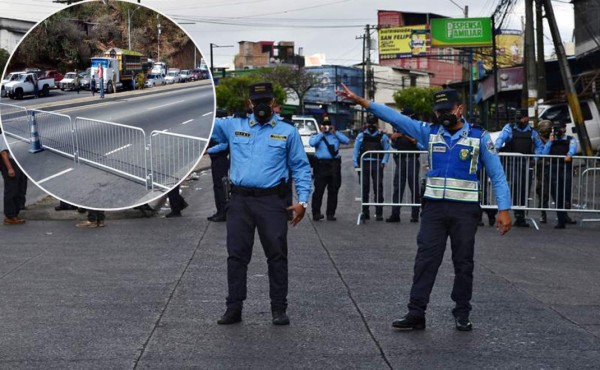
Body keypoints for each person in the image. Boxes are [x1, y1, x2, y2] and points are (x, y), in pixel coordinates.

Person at [337, 85, 512, 331]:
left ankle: (462, 313)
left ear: (459, 109)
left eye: (447, 110)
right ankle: (416, 313)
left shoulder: (479, 137)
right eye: (439, 111)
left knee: (463, 263)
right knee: (425, 261)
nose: (443, 115)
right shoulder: (429, 133)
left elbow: (497, 174)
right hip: (434, 210)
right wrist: (360, 101)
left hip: (465, 211)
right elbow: (394, 117)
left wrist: (504, 209)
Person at [210, 82, 312, 326]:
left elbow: (301, 167)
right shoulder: (233, 126)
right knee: (236, 256)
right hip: (240, 201)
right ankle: (233, 308)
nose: (262, 106)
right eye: (257, 102)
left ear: (274, 102)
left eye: (266, 100)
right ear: (249, 104)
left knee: (277, 256)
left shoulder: (288, 132)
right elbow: (203, 126)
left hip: (272, 202)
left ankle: (279, 308)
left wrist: (303, 202)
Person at [495, 108, 544, 227]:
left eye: (520, 118)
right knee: (516, 184)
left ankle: (520, 215)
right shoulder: (509, 128)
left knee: (525, 188)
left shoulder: (532, 132)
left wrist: (535, 159)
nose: (518, 120)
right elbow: (501, 139)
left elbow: (539, 147)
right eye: (517, 118)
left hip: (526, 164)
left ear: (526, 118)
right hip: (512, 163)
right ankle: (516, 212)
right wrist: (496, 148)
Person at [309, 117, 349, 221]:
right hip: (321, 165)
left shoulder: (335, 135)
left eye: (328, 126)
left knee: (333, 190)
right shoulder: (318, 136)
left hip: (334, 165)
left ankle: (330, 214)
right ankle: (316, 213)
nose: (326, 128)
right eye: (324, 126)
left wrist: (335, 132)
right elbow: (312, 143)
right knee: (319, 190)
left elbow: (347, 141)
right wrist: (321, 133)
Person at [387, 106, 421, 223]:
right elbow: (395, 146)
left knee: (414, 188)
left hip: (412, 159)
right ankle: (395, 214)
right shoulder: (398, 127)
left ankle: (415, 215)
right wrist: (393, 139)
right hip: (400, 160)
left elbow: (420, 145)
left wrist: (406, 136)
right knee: (398, 188)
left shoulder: (416, 127)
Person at [541, 121, 578, 229]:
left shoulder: (570, 139)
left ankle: (564, 215)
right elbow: (544, 153)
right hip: (553, 168)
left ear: (564, 128)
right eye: (555, 129)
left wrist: (570, 154)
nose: (557, 131)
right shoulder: (552, 140)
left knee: (565, 191)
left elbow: (573, 148)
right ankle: (561, 219)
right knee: (556, 193)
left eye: (559, 129)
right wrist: (550, 142)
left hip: (565, 168)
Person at [353, 115, 390, 221]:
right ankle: (365, 212)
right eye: (369, 123)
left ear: (377, 124)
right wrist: (356, 164)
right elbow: (356, 150)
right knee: (365, 188)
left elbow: (387, 150)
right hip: (364, 164)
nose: (371, 125)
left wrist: (383, 162)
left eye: (373, 123)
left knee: (378, 188)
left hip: (377, 164)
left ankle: (379, 213)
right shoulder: (362, 136)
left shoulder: (382, 136)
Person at [1, 134, 27, 225]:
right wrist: (10, 168)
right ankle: (10, 216)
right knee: (11, 189)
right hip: (8, 162)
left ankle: (14, 214)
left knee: (18, 188)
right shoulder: (1, 136)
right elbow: (3, 153)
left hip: (14, 162)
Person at [206, 137, 230, 222]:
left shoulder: (222, 128)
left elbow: (225, 145)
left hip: (220, 160)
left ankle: (223, 213)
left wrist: (209, 150)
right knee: (217, 187)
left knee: (220, 187)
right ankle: (220, 211)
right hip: (216, 160)